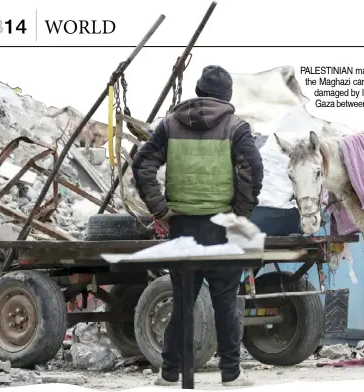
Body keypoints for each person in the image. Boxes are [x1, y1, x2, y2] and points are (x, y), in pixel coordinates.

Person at [131, 65, 264, 387]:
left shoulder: (170, 125)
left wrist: (161, 210)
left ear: (198, 91)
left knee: (183, 303)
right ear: (227, 96)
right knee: (225, 302)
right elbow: (253, 169)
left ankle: (168, 373)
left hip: (183, 229)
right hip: (222, 228)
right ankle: (231, 374)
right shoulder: (236, 128)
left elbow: (142, 163)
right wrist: (241, 213)